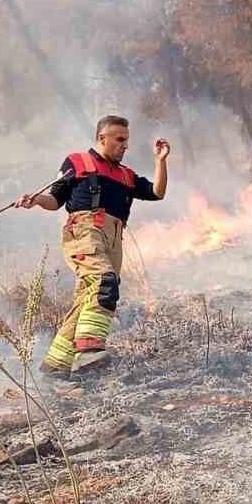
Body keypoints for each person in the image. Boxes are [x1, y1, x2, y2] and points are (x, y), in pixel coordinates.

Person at [16, 116, 170, 376]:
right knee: (104, 281)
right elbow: (55, 199)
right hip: (85, 230)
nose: (125, 146)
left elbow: (157, 192)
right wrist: (36, 200)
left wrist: (160, 161)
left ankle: (55, 367)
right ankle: (89, 352)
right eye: (119, 140)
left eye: (127, 141)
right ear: (102, 138)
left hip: (113, 239)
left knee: (86, 300)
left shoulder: (126, 175)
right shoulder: (76, 162)